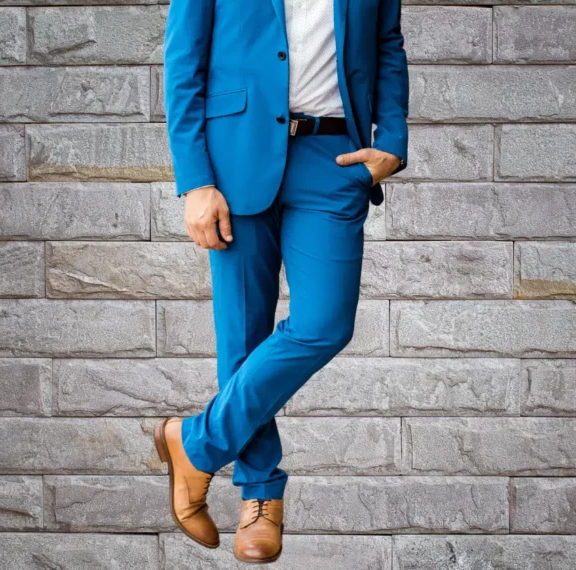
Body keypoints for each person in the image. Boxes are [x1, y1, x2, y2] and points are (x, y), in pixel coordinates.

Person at [153, 0, 409, 562]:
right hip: (234, 158)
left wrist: (392, 138)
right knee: (242, 334)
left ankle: (195, 442)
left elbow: (387, 43)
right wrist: (194, 180)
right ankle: (260, 495)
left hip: (333, 157)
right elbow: (183, 61)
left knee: (323, 324)